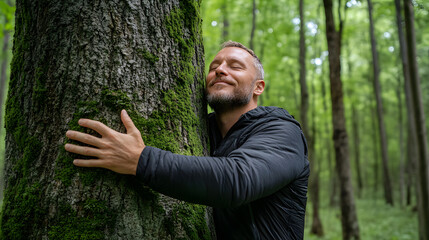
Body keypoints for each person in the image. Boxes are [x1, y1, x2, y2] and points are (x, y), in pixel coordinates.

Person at [65, 41, 310, 239]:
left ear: (258, 87)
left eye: (235, 66)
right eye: (214, 66)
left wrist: (140, 159)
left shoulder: (282, 131)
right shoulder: (204, 132)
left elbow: (238, 179)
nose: (220, 70)